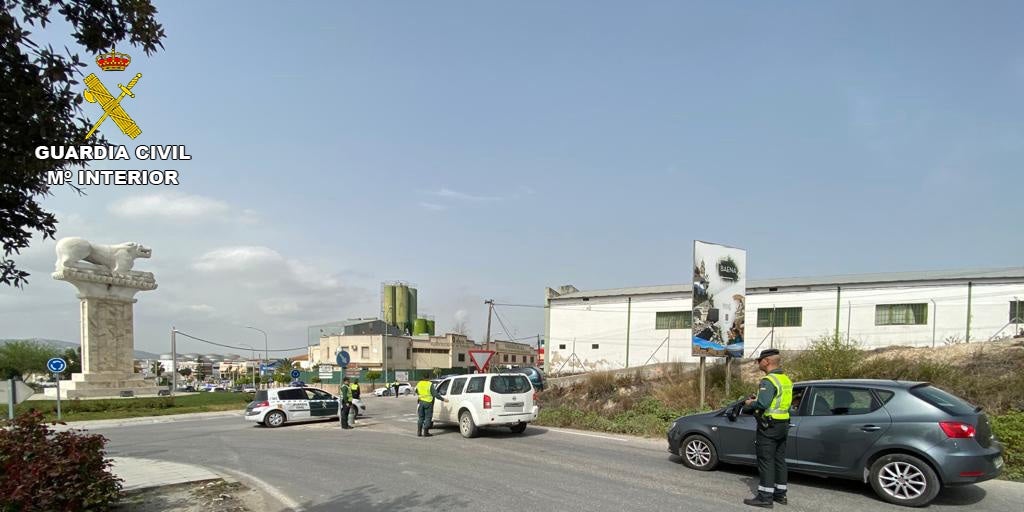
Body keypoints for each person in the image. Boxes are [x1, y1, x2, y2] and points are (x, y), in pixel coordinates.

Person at [742, 348, 793, 508]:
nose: (758, 363)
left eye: (759, 360)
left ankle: (765, 497)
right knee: (779, 460)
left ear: (767, 361)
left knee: (766, 461)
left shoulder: (768, 381)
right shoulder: (785, 379)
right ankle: (780, 494)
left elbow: (763, 404)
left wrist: (750, 403)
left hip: (768, 427)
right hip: (783, 424)